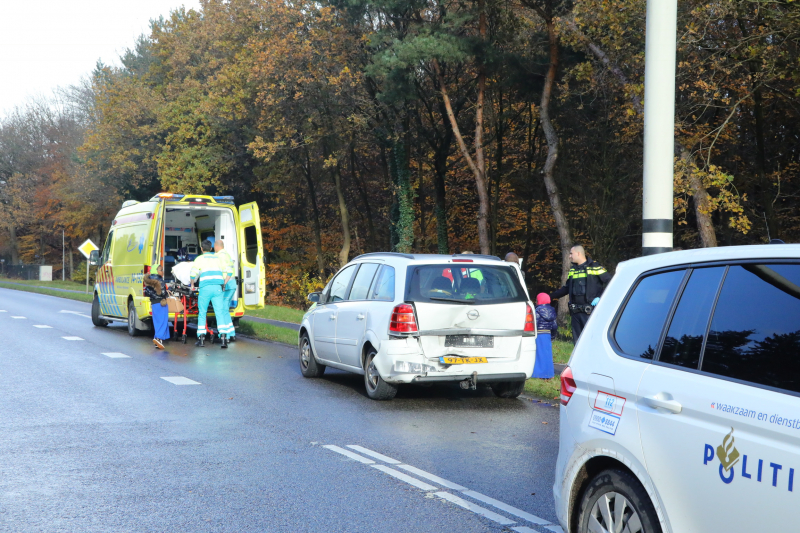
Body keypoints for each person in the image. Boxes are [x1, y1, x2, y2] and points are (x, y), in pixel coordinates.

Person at [550, 244, 612, 341]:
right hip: (575, 313)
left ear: (578, 253)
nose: (569, 256)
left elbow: (611, 282)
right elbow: (566, 288)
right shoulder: (573, 270)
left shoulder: (595, 266)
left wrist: (601, 297)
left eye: (571, 253)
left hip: (590, 312)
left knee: (591, 340)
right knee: (577, 343)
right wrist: (550, 297)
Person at [190, 240, 235, 348]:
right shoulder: (218, 258)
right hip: (218, 288)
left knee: (202, 313)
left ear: (201, 249)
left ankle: (201, 339)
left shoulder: (199, 259)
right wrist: (224, 283)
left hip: (205, 288)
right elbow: (229, 271)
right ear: (211, 249)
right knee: (219, 313)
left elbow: (193, 274)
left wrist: (192, 285)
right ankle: (223, 338)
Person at [214, 239, 237, 342]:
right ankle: (232, 333)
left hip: (225, 285)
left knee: (222, 310)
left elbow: (222, 271)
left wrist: (222, 284)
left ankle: (226, 335)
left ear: (216, 246)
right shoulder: (227, 255)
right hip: (232, 285)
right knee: (225, 310)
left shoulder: (218, 256)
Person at [143, 264, 169, 349]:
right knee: (163, 322)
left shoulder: (148, 279)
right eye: (161, 270)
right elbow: (162, 292)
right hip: (161, 303)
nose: (162, 272)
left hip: (154, 303)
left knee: (157, 322)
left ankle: (157, 340)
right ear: (156, 271)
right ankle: (158, 338)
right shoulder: (159, 280)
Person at [532, 293, 557, 379]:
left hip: (538, 334)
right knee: (547, 354)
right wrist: (552, 336)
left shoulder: (537, 311)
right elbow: (554, 326)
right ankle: (549, 373)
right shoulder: (552, 311)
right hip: (547, 334)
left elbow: (535, 322)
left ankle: (537, 373)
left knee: (538, 354)